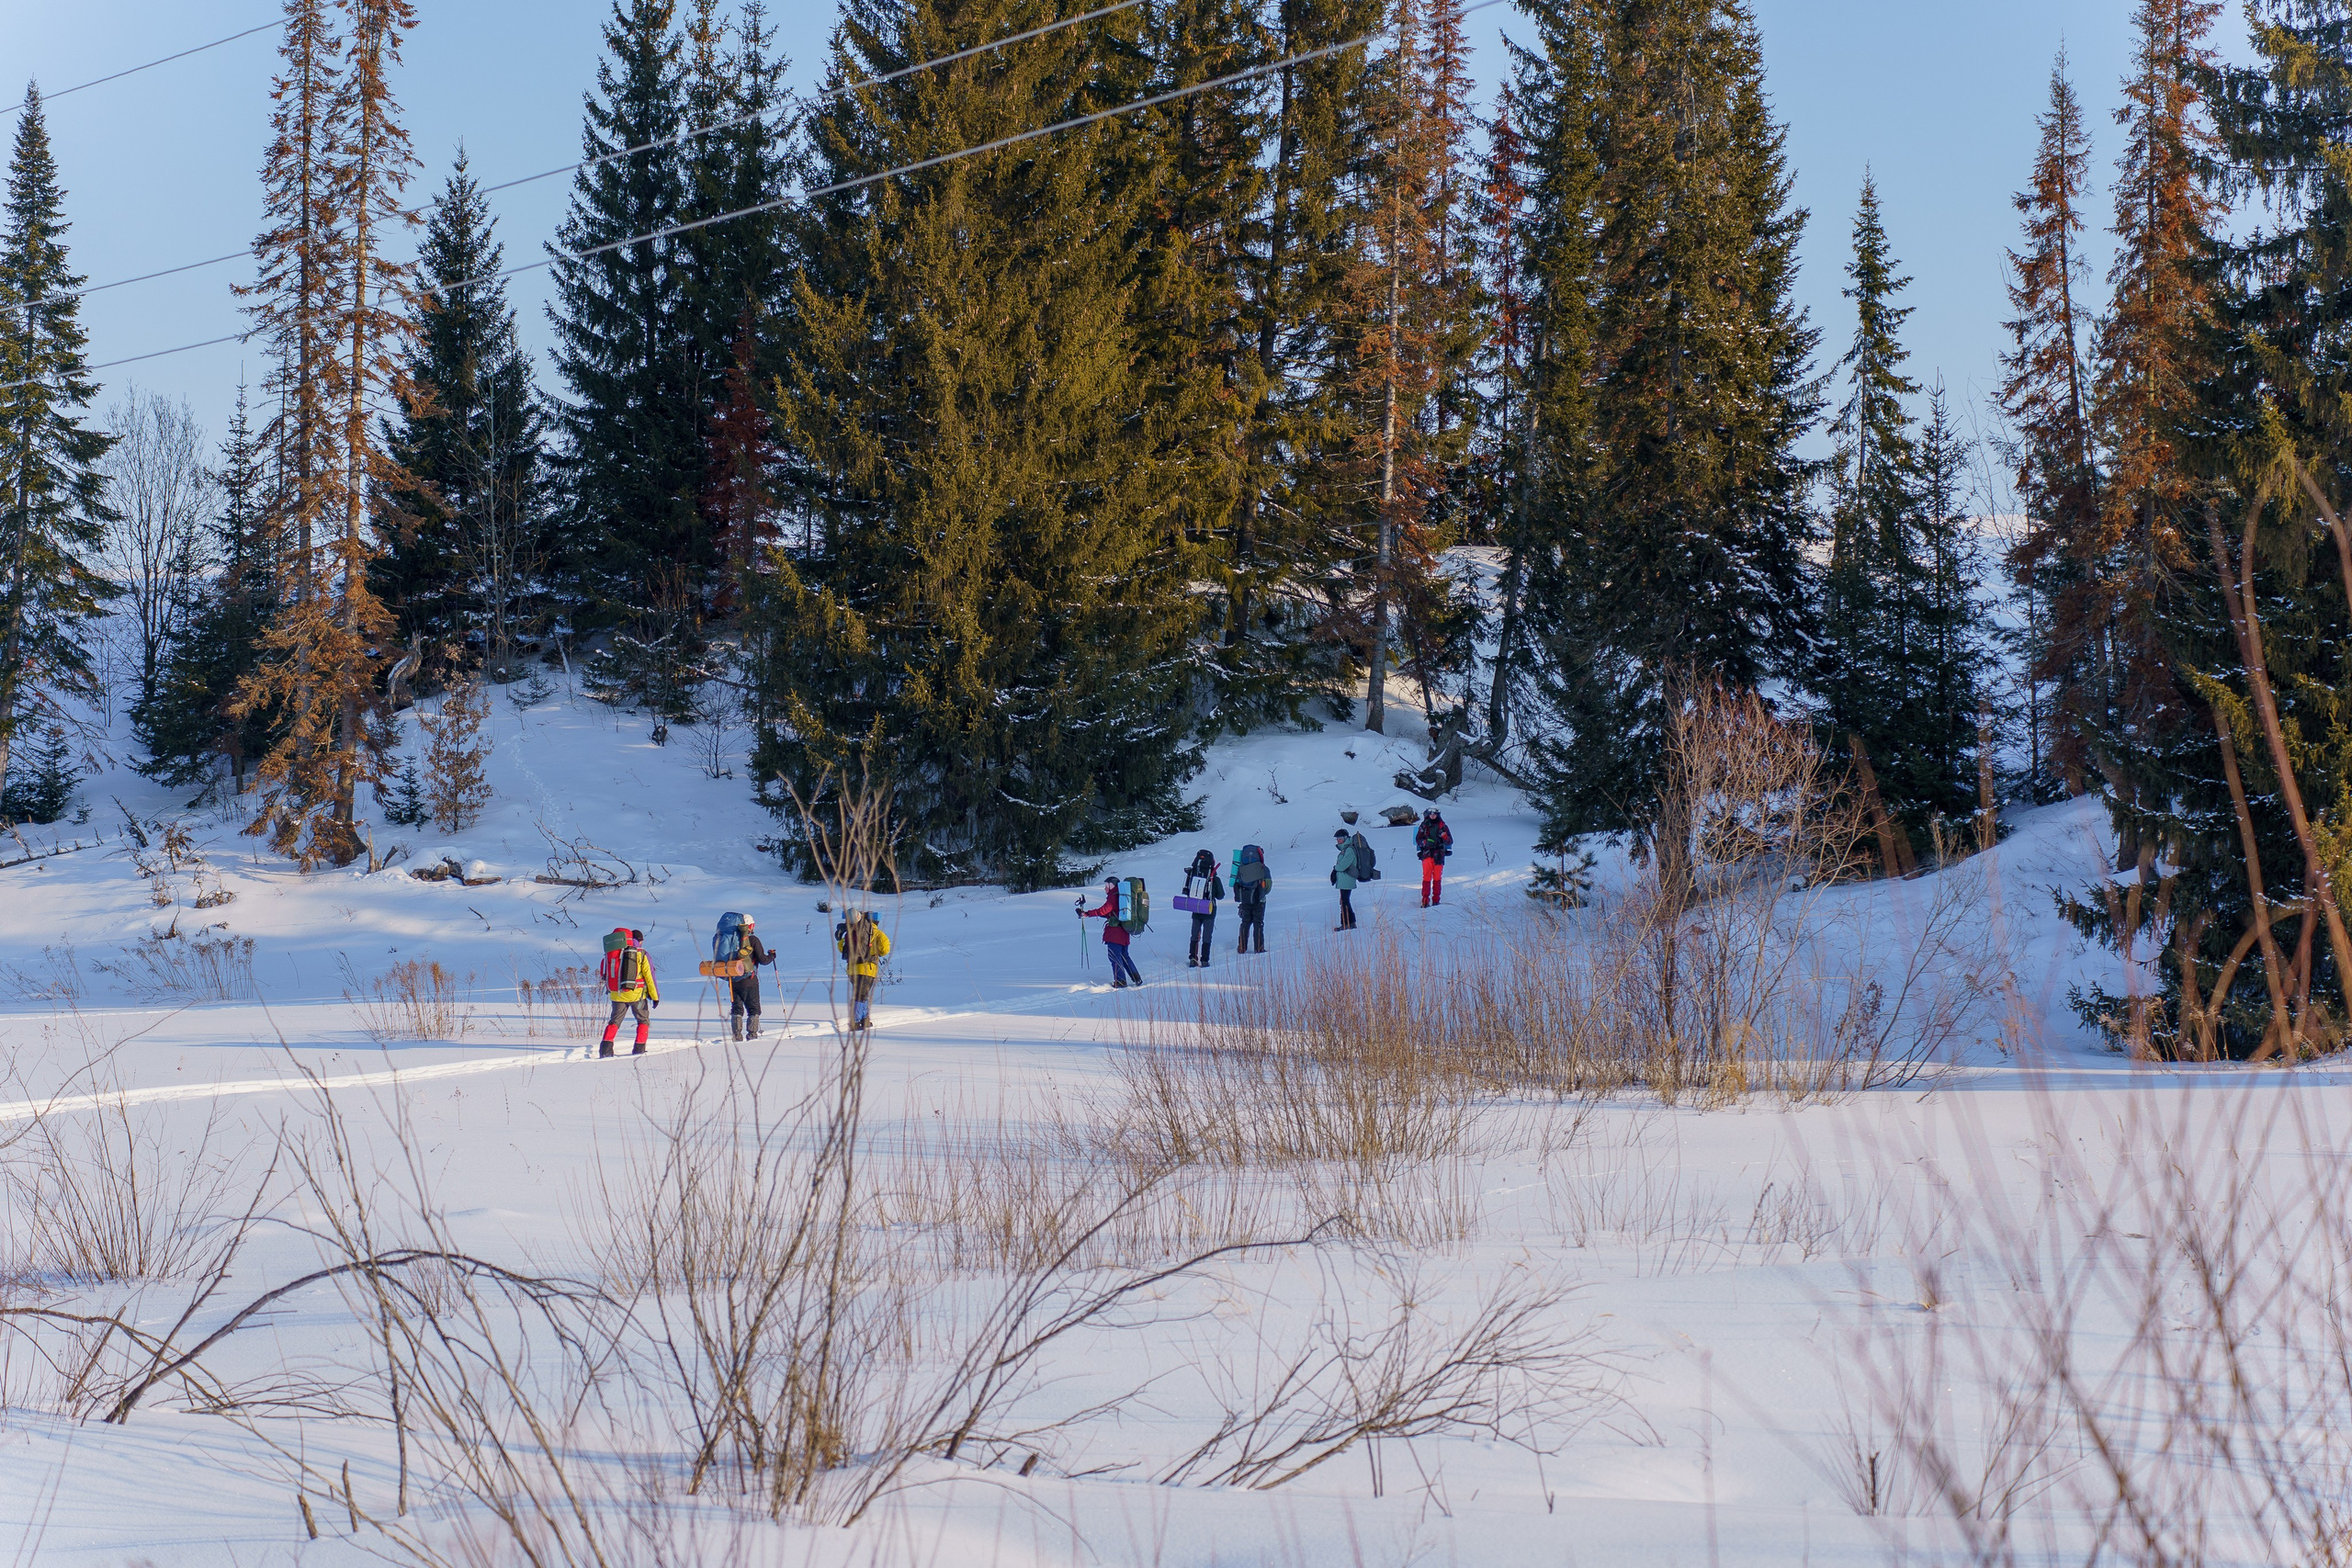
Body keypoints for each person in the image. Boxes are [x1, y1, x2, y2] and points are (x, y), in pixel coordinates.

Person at [598, 927, 659, 1058]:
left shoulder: (611, 953)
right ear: (638, 941)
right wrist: (655, 996)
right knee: (643, 1021)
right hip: (637, 994)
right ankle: (639, 1050)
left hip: (617, 994)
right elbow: (650, 977)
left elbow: (603, 973)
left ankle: (605, 1050)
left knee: (614, 1022)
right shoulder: (641, 954)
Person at [1080, 878, 1145, 987]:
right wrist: (1089, 913)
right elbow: (1110, 913)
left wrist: (1087, 914)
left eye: (1106, 885)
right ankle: (1136, 978)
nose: (1105, 888)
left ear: (1111, 885)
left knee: (1114, 956)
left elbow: (1105, 910)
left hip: (1115, 933)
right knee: (1124, 955)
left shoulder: (1113, 896)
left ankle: (1120, 981)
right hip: (1124, 930)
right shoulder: (1122, 897)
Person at [834, 910, 890, 1032]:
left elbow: (841, 948)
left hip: (852, 969)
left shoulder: (850, 931)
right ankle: (855, 1021)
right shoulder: (876, 932)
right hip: (868, 969)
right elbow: (885, 949)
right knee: (861, 995)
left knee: (861, 994)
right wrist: (876, 952)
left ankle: (865, 1019)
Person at [728, 914, 777, 1040]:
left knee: (736, 1009)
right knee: (753, 1008)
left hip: (732, 979)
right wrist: (772, 956)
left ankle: (736, 1036)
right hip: (749, 980)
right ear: (749, 926)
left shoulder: (730, 941)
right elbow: (763, 960)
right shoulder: (753, 940)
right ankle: (752, 1035)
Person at [1182, 849, 1224, 968]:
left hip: (1196, 908)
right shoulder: (1214, 879)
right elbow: (1220, 896)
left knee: (1195, 934)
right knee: (1207, 936)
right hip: (1209, 910)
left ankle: (1193, 958)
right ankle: (1204, 960)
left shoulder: (1193, 875)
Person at [1232, 844, 1272, 954]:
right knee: (1258, 923)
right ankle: (1259, 948)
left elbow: (1236, 883)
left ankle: (1241, 947)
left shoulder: (1241, 867)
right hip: (1260, 900)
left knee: (1245, 922)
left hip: (1245, 899)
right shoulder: (1264, 869)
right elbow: (1268, 887)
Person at [1414, 807, 1453, 908]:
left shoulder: (1443, 826)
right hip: (1427, 854)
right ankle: (1425, 901)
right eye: (1431, 814)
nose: (1432, 816)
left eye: (1434, 814)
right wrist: (1424, 843)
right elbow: (1417, 839)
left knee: (1437, 878)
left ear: (1438, 815)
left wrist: (1444, 837)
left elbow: (1450, 841)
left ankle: (1436, 900)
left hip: (1439, 855)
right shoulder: (1424, 825)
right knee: (1426, 877)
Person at [1330, 829, 1358, 931]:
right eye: (1337, 839)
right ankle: (1351, 923)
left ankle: (1346, 924)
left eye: (1340, 839)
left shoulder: (1349, 850)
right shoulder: (1345, 849)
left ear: (1346, 838)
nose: (1338, 841)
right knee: (1345, 901)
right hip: (1344, 879)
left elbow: (1343, 866)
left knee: (1344, 901)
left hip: (1347, 879)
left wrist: (1335, 868)